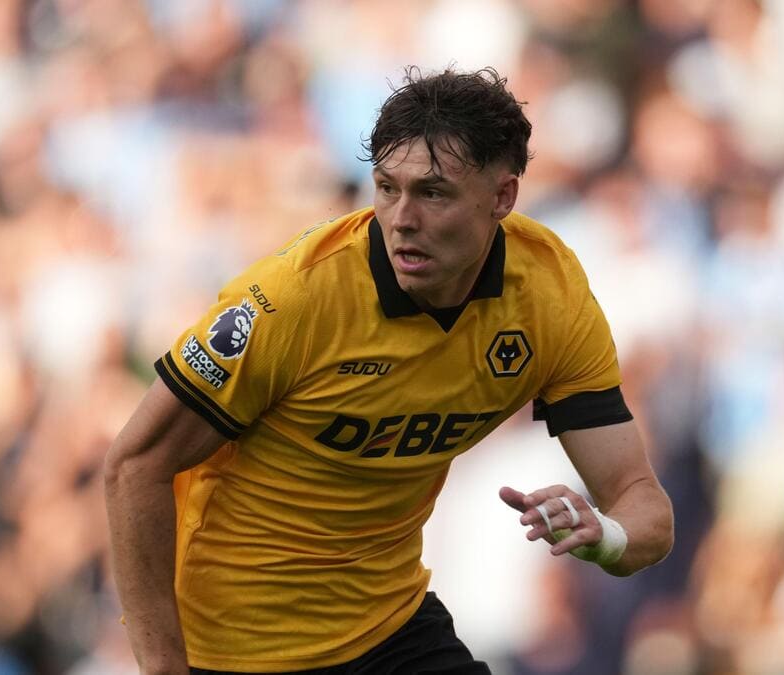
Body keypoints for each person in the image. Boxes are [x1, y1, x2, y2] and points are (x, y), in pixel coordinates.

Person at [103, 66, 674, 675]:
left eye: (433, 193)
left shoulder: (548, 296)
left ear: (502, 197)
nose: (401, 218)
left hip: (390, 629)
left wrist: (605, 535)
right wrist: (163, 668)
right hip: (236, 648)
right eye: (385, 187)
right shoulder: (294, 300)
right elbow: (134, 465)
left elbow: (645, 508)